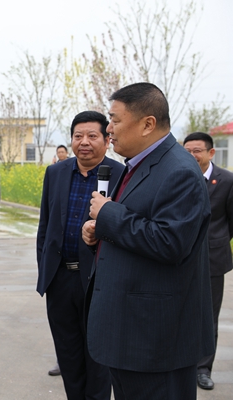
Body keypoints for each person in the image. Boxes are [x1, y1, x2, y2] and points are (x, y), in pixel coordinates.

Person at [82, 82, 214, 400]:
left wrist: (109, 214)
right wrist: (100, 232)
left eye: (115, 120)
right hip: (130, 335)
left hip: (156, 341)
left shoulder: (178, 170)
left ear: (147, 124)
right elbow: (140, 227)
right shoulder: (140, 164)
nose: (108, 128)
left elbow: (170, 242)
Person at [37, 111, 121, 399]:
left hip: (100, 282)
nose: (84, 142)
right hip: (60, 279)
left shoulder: (121, 175)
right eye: (78, 136)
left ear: (107, 140)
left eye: (92, 136)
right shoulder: (56, 172)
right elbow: (45, 226)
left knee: (98, 360)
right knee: (68, 356)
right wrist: (46, 272)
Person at [183, 131, 233, 391]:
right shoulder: (179, 177)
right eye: (187, 151)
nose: (191, 156)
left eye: (197, 151)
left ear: (211, 153)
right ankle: (183, 363)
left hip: (213, 260)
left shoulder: (227, 180)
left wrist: (217, 241)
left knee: (209, 316)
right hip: (180, 258)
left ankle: (203, 369)